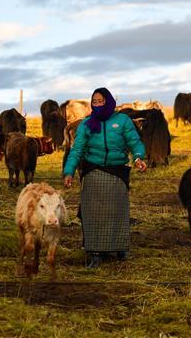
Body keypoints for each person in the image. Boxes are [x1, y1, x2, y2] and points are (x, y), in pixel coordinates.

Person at [62, 87, 147, 268]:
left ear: (108, 101)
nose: (98, 104)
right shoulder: (87, 124)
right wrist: (68, 171)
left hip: (117, 172)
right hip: (93, 172)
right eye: (95, 102)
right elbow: (77, 150)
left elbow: (134, 141)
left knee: (117, 212)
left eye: (101, 101)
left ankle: (119, 247)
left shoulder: (122, 120)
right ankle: (95, 252)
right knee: (93, 213)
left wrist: (139, 157)